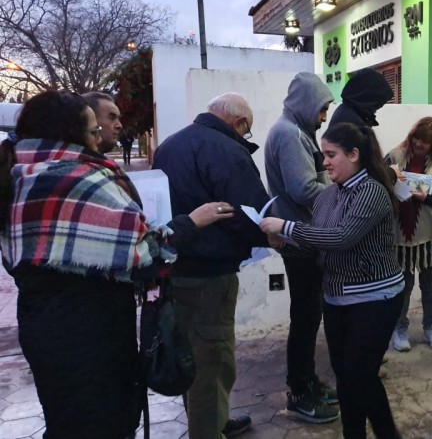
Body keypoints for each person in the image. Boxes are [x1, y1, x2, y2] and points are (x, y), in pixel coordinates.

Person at [0, 90, 234, 439]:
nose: (99, 138)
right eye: (93, 130)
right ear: (70, 133)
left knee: (67, 421)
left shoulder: (21, 175)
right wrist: (190, 223)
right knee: (105, 422)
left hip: (41, 326)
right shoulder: (79, 179)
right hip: (91, 333)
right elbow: (143, 254)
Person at [260, 123, 403, 439]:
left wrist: (286, 227)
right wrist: (284, 244)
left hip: (374, 298)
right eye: (322, 155)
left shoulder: (372, 192)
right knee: (345, 375)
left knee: (360, 376)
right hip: (337, 299)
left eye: (330, 155)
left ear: (354, 155)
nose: (324, 162)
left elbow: (342, 237)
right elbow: (318, 243)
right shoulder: (327, 196)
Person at [152, 92, 271, 438]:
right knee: (213, 361)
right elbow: (251, 213)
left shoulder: (169, 145)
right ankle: (208, 429)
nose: (245, 136)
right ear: (239, 122)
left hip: (176, 268)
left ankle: (213, 421)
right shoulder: (228, 150)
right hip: (210, 276)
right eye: (246, 130)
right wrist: (273, 235)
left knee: (192, 356)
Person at [263, 72, 340, 423]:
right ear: (307, 103)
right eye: (322, 109)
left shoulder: (295, 130)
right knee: (306, 317)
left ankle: (307, 381)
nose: (324, 117)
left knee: (309, 315)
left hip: (301, 234)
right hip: (300, 238)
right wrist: (346, 192)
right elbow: (304, 188)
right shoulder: (290, 134)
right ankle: (299, 392)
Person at [385, 117, 432, 351]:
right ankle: (399, 329)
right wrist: (391, 177)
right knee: (402, 286)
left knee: (430, 285)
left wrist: (426, 197)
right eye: (416, 138)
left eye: (425, 141)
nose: (418, 144)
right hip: (398, 234)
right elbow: (378, 184)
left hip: (429, 234)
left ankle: (431, 328)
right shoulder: (395, 156)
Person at [328, 68, 393, 128]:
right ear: (368, 98)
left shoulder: (346, 111)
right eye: (376, 104)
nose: (377, 109)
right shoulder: (352, 123)